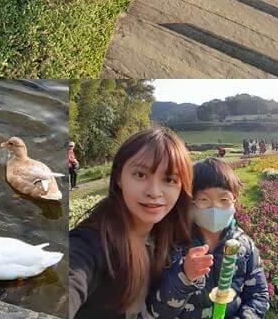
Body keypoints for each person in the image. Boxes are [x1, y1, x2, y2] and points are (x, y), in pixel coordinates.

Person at [69, 127, 198, 319]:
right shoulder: (91, 243)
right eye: (140, 175)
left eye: (169, 179)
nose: (154, 192)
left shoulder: (171, 237)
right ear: (119, 177)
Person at [147, 158, 270, 319]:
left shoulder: (244, 246)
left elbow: (258, 294)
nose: (215, 207)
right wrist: (184, 276)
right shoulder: (172, 246)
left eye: (224, 200)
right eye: (204, 200)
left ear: (235, 201)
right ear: (190, 202)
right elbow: (156, 312)